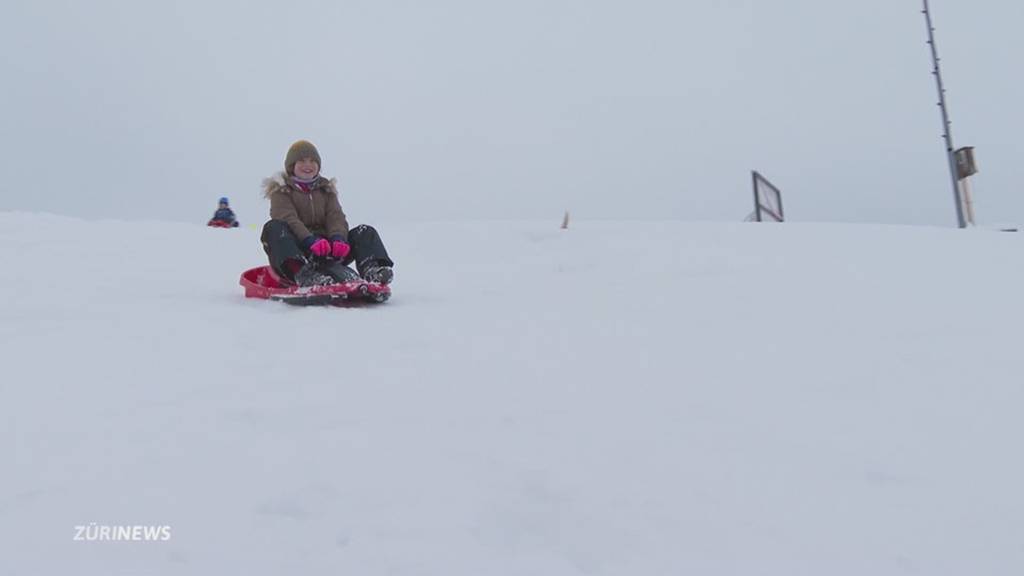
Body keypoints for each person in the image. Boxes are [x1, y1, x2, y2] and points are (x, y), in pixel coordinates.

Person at [260, 140, 394, 287]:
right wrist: (309, 240)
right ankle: (303, 275)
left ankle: (373, 270)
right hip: (300, 248)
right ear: (292, 166)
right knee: (273, 228)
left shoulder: (326, 190)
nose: (308, 165)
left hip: (326, 249)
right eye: (302, 161)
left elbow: (335, 216)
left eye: (312, 161)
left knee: (365, 232)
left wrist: (338, 238)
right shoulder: (282, 191)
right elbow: (288, 218)